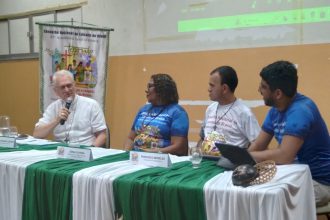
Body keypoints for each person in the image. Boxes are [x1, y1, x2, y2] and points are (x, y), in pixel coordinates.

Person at [248, 60, 330, 206]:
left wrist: (249, 156)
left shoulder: (301, 111)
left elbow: (284, 156)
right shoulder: (274, 110)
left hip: (320, 183)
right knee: (248, 190)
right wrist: (242, 158)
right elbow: (258, 145)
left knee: (269, 200)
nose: (259, 90)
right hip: (295, 175)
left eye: (264, 87)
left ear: (278, 93)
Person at [33, 70, 107, 147]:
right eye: (62, 87)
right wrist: (56, 120)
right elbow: (37, 134)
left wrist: (89, 151)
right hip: (60, 151)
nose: (67, 90)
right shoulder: (53, 107)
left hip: (85, 149)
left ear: (74, 85)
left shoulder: (91, 105)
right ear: (56, 91)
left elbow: (102, 135)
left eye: (69, 85)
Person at [198, 65, 260, 156]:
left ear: (224, 88)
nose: (209, 89)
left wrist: (243, 159)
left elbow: (257, 144)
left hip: (229, 165)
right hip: (206, 161)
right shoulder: (210, 108)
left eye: (212, 85)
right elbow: (202, 137)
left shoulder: (244, 113)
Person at [124, 73, 189, 156]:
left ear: (162, 89)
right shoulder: (143, 109)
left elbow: (179, 148)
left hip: (161, 160)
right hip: (137, 158)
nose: (146, 90)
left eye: (150, 86)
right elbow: (130, 138)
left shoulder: (177, 112)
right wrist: (127, 154)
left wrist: (150, 154)